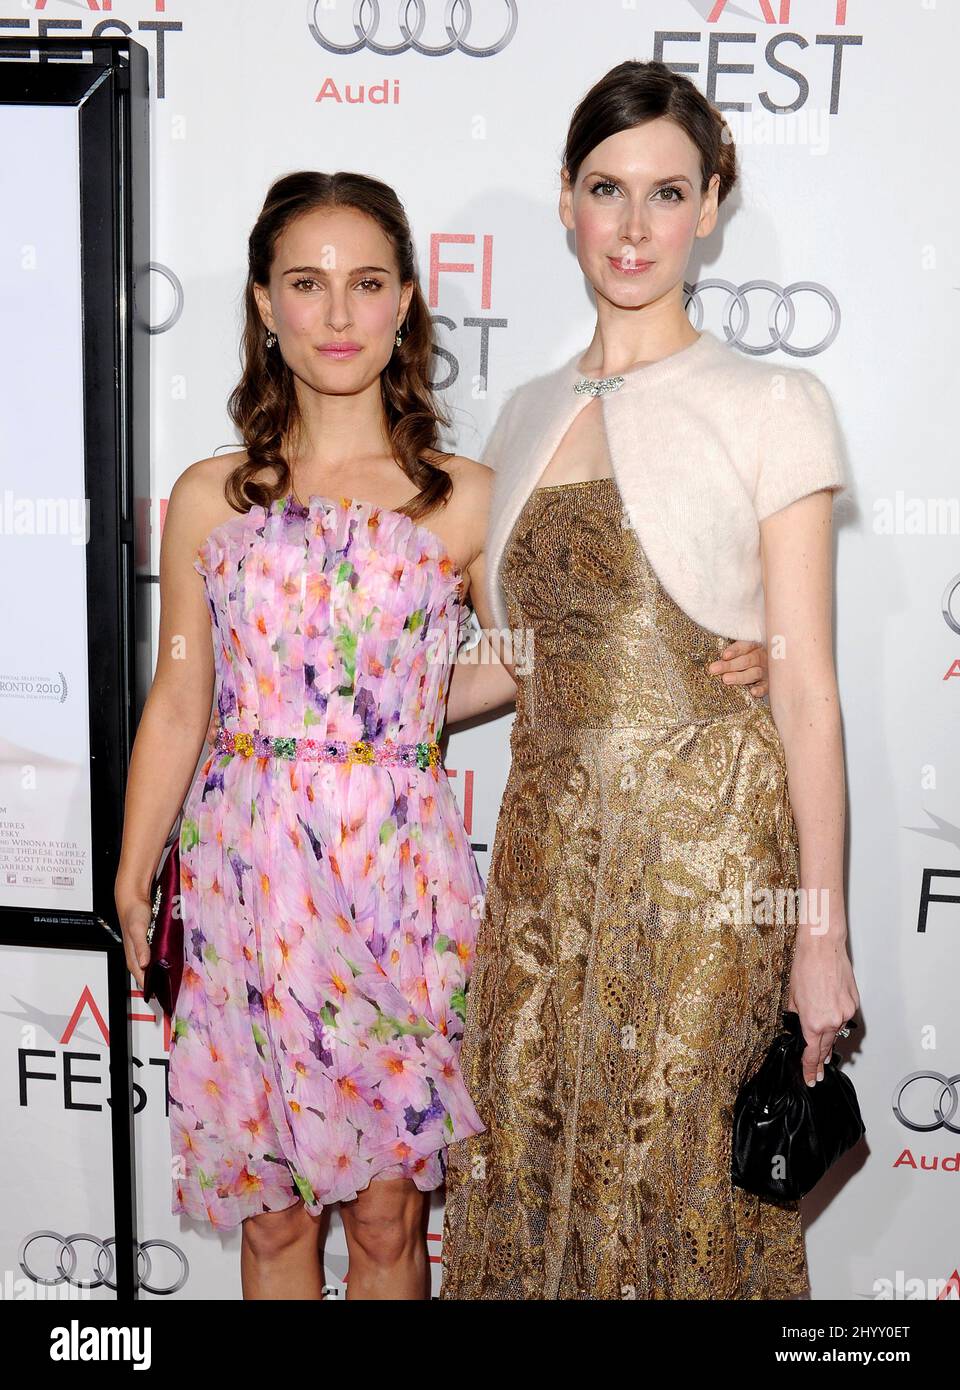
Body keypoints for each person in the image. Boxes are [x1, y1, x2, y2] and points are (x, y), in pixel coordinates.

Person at [113, 167, 768, 1301]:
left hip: (394, 891)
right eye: (305, 284)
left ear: (407, 300)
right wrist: (133, 870)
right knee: (270, 1231)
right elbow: (182, 695)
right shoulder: (212, 496)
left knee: (385, 1227)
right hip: (241, 884)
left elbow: (553, 646)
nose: (335, 313)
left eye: (366, 283)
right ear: (264, 305)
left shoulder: (465, 495)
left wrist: (740, 650)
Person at [438, 60, 860, 1301]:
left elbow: (807, 686)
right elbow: (516, 659)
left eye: (667, 193)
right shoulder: (518, 414)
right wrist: (326, 720)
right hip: (541, 864)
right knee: (525, 1141)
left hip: (706, 868)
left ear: (711, 204)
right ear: (566, 200)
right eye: (608, 190)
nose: (634, 228)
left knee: (673, 1169)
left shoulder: (772, 401)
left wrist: (817, 936)